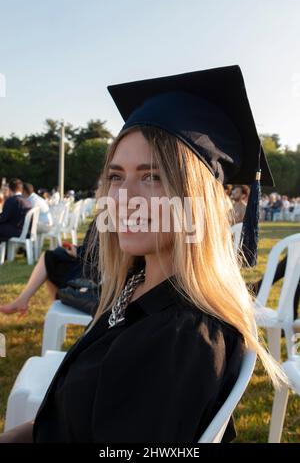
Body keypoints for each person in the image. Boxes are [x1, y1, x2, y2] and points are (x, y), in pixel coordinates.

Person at [0, 65, 286, 444]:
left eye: (152, 176)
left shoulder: (180, 341)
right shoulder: (138, 286)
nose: (122, 198)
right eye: (116, 176)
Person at [0, 216, 99, 316]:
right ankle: (29, 302)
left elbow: (100, 254)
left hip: (96, 279)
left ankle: (56, 308)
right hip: (94, 269)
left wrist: (78, 252)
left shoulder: (108, 216)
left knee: (52, 261)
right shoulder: (106, 213)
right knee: (51, 257)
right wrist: (78, 250)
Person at [0, 178, 32, 242]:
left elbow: (3, 218)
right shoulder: (28, 201)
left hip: (16, 232)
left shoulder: (12, 200)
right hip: (27, 232)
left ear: (9, 189)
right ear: (21, 189)